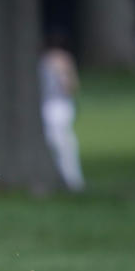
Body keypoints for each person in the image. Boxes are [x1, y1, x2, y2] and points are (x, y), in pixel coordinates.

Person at [39, 33, 85, 192]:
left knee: (56, 142)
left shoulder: (43, 60)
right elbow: (71, 86)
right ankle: (71, 179)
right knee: (64, 143)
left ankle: (66, 178)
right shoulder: (64, 59)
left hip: (48, 105)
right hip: (61, 105)